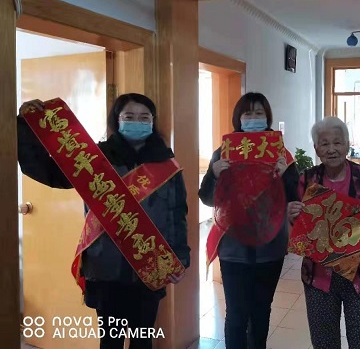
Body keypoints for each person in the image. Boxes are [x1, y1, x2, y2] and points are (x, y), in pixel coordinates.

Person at [17, 93, 190, 349]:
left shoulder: (166, 164)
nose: (137, 121)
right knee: (110, 340)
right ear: (116, 120)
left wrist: (180, 257)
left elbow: (177, 213)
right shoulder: (96, 158)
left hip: (149, 264)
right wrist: (26, 125)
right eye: (129, 116)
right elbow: (48, 171)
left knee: (143, 339)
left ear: (153, 121)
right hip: (106, 267)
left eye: (144, 117)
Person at [198, 92, 299, 349]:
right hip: (233, 248)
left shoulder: (281, 155)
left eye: (259, 113)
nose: (253, 118)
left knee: (262, 310)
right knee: (236, 314)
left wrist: (284, 176)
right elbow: (207, 199)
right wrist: (214, 175)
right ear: (238, 118)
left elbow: (296, 198)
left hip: (270, 248)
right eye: (248, 113)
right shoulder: (223, 153)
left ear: (267, 118)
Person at [287, 116, 360, 349]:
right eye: (324, 144)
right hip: (319, 274)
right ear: (316, 149)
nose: (331, 149)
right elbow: (299, 227)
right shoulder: (307, 179)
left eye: (337, 142)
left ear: (347, 145)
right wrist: (292, 213)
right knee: (324, 342)